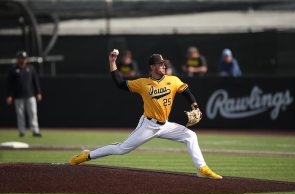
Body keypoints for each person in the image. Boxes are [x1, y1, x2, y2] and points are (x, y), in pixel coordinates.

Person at [69, 51, 222, 179]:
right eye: (160, 63)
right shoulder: (143, 83)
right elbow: (120, 84)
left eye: (164, 64)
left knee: (191, 136)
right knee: (122, 149)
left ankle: (202, 168)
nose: (164, 65)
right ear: (152, 67)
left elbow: (186, 92)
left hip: (165, 125)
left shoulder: (173, 80)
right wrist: (112, 62)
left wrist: (195, 105)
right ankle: (87, 156)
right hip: (148, 125)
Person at [6, 51, 42, 137]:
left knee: (33, 113)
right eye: (21, 58)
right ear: (18, 59)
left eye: (24, 58)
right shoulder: (13, 70)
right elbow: (9, 84)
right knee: (20, 114)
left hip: (30, 95)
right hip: (18, 96)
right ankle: (22, 131)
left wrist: (38, 92)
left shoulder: (31, 68)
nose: (23, 60)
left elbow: (35, 81)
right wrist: (9, 95)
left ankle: (35, 131)